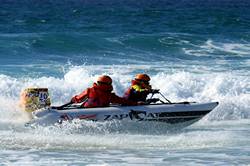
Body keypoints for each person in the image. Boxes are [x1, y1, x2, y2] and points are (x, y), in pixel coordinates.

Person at [70, 75, 137, 108]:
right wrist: (135, 103)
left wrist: (73, 100)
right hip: (89, 111)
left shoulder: (89, 90)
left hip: (86, 109)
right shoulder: (109, 95)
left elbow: (77, 99)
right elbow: (123, 101)